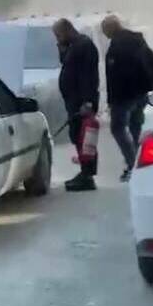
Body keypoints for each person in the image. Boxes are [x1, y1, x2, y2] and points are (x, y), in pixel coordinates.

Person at [102, 15, 153, 182]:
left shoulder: (119, 45)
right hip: (140, 93)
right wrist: (150, 84)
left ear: (112, 28)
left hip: (124, 96)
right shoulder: (137, 40)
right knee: (135, 127)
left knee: (118, 128)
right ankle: (138, 164)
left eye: (105, 30)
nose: (105, 35)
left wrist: (112, 100)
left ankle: (133, 164)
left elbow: (116, 75)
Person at [53, 18, 100, 192]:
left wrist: (87, 101)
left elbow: (88, 77)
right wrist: (62, 48)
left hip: (82, 102)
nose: (57, 39)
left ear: (67, 31)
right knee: (77, 135)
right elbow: (67, 64)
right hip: (74, 101)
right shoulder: (74, 46)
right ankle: (84, 172)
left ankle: (87, 175)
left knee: (84, 138)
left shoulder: (84, 46)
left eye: (58, 35)